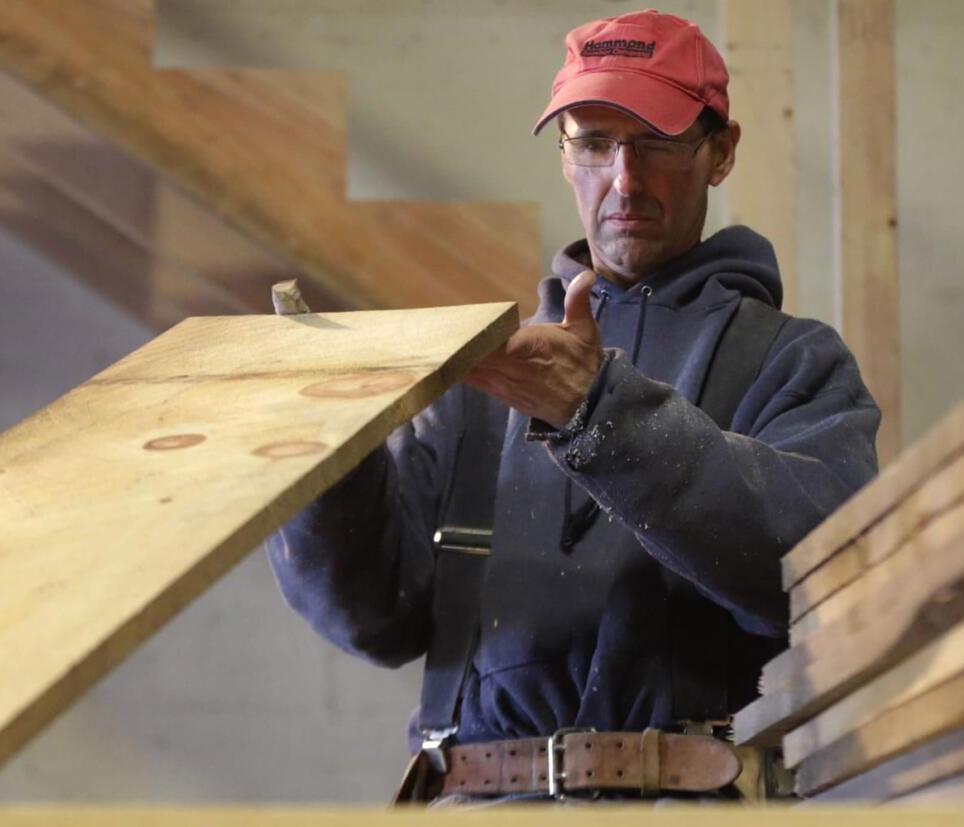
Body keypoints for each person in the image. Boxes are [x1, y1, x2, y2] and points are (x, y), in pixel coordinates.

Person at [267, 9, 880, 802]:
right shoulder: (486, 384)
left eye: (655, 142)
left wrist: (602, 414)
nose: (624, 180)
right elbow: (375, 617)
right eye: (593, 143)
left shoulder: (794, 362)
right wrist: (327, 452)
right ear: (566, 159)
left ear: (721, 152)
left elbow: (826, 568)